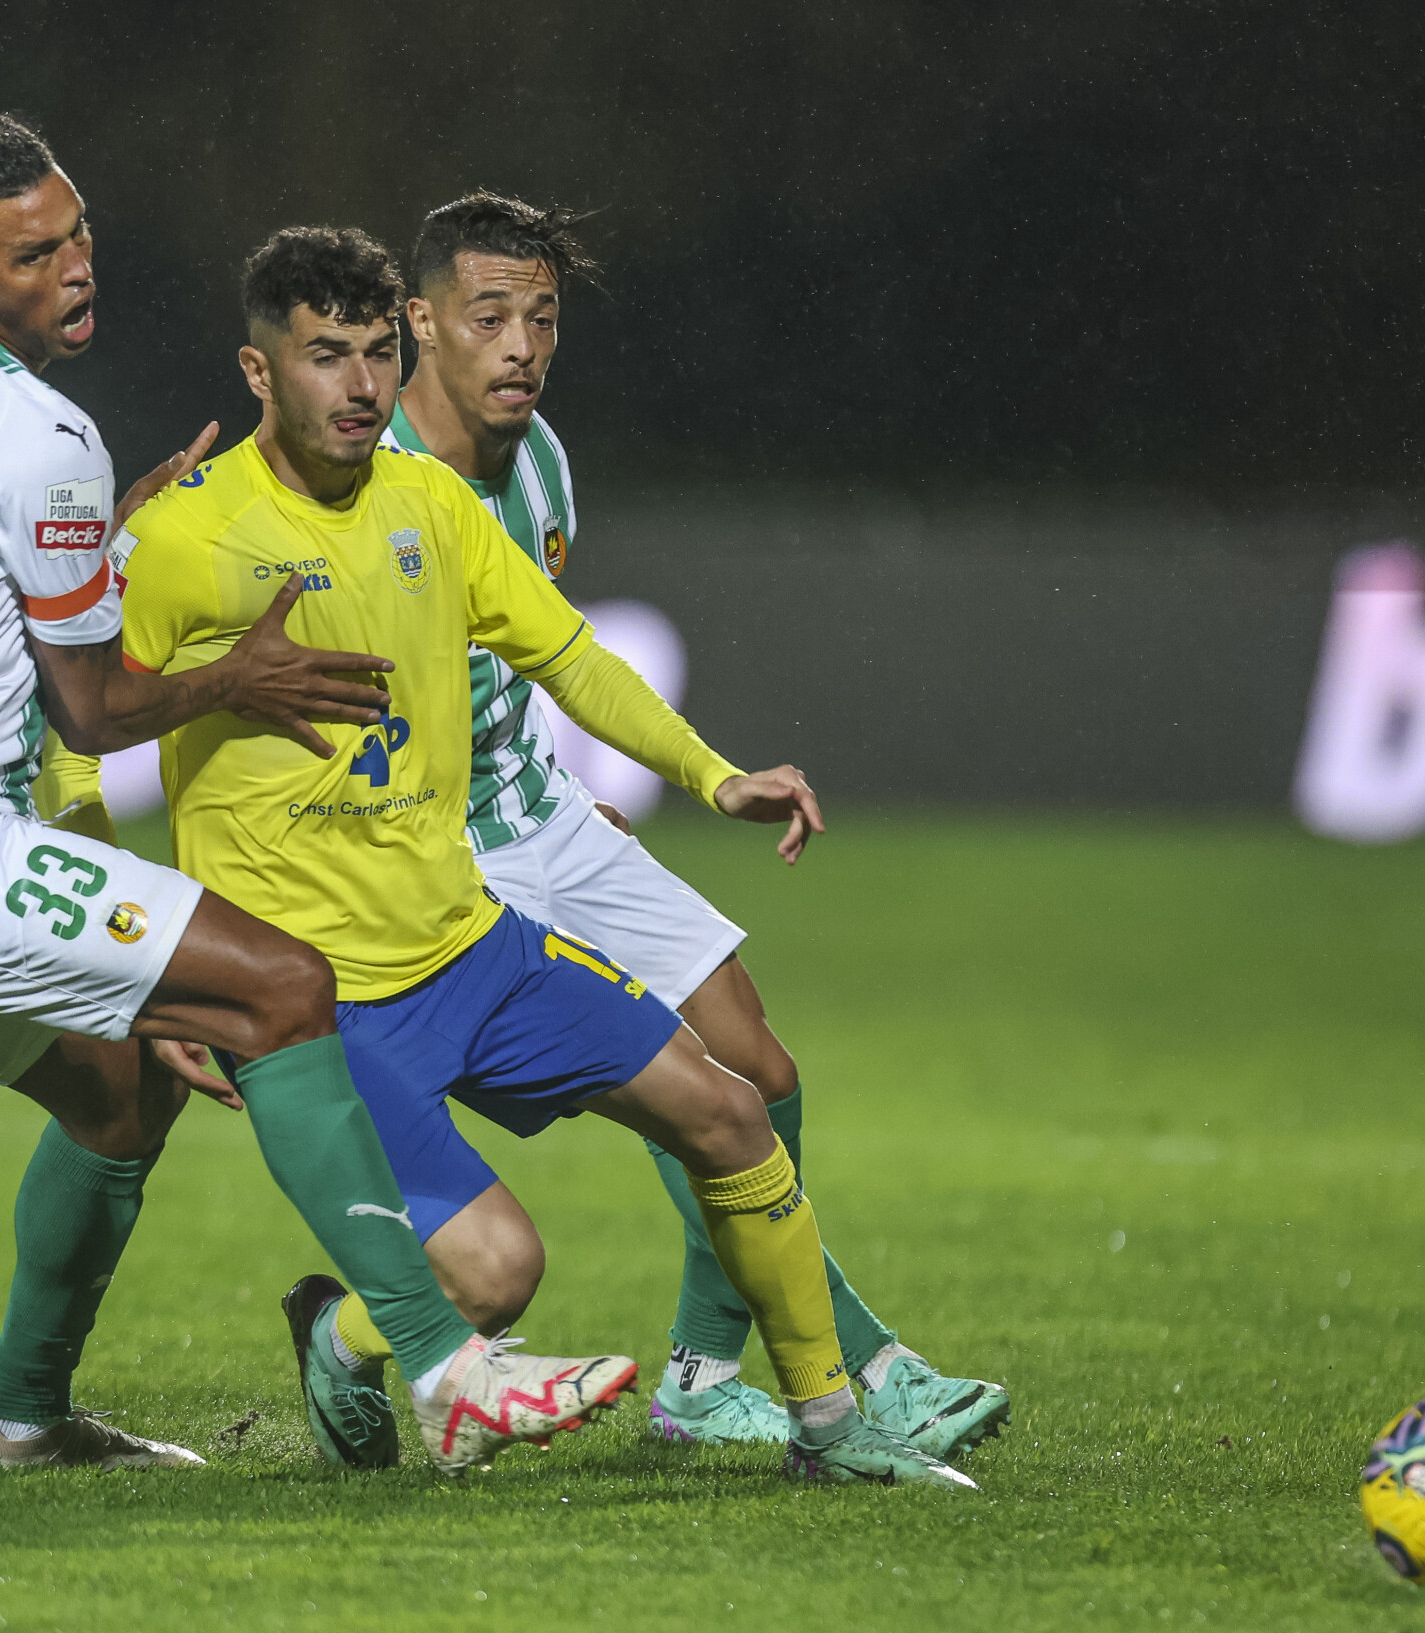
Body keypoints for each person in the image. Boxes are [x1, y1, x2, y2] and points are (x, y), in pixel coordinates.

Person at [0, 101, 630, 1477]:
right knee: (280, 988)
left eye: (77, 230)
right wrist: (240, 675)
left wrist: (88, 552)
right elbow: (91, 711)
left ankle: (20, 1423)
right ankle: (448, 1368)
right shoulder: (41, 433)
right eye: (33, 255)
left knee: (119, 1090)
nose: (75, 267)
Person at [114, 224, 971, 1486]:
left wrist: (710, 774)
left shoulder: (437, 504)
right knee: (498, 1275)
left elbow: (565, 653)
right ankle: (346, 1338)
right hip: (322, 995)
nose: (356, 385)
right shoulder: (186, 537)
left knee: (736, 1105)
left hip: (473, 937)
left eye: (369, 356)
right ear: (257, 372)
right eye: (323, 357)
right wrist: (146, 961)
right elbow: (76, 731)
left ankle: (835, 1426)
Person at [384, 192, 1011, 1458]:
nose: (520, 346)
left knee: (762, 1077)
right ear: (419, 321)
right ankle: (865, 1370)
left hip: (546, 816)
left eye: (542, 319)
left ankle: (695, 1380)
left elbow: (541, 655)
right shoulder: (371, 488)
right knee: (695, 1100)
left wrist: (648, 780)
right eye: (489, 316)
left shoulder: (543, 460)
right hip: (438, 858)